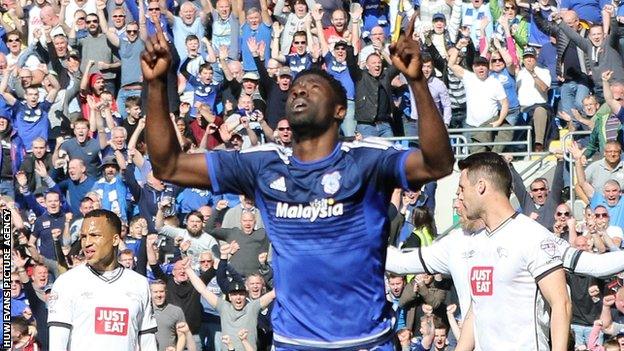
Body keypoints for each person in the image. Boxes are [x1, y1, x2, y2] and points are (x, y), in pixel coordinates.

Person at [142, 15, 454, 349]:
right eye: (295, 89)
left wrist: (417, 82)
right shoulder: (262, 164)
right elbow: (168, 166)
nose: (299, 91)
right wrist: (158, 86)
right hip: (294, 342)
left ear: (339, 110)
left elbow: (438, 163)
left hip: (367, 341)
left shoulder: (367, 159)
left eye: (312, 88)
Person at [387, 152, 624, 350]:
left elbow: (561, 303)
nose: (459, 196)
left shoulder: (531, 235)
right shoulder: (471, 241)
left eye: (462, 188)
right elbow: (477, 309)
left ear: (480, 187)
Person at [47, 209, 158, 351]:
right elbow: (57, 345)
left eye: (94, 235)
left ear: (115, 239)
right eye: (83, 237)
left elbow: (148, 342)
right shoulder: (67, 283)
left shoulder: (139, 284)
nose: (87, 243)